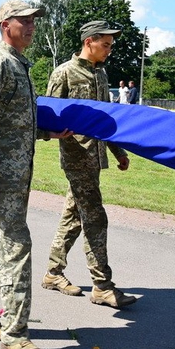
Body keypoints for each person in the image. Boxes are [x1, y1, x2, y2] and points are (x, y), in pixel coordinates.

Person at [0, 0, 71, 349]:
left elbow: (14, 120)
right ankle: (15, 333)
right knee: (17, 246)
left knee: (0, 245)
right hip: (1, 176)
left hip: (15, 175)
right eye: (23, 21)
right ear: (4, 24)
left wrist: (47, 133)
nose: (31, 27)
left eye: (33, 22)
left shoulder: (19, 65)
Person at [41, 21, 137, 308]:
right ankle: (102, 286)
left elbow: (104, 120)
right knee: (95, 218)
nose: (109, 50)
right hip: (76, 157)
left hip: (96, 157)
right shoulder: (64, 73)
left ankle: (52, 273)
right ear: (89, 42)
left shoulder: (101, 75)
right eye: (105, 45)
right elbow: (47, 114)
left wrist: (117, 151)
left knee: (73, 217)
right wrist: (52, 132)